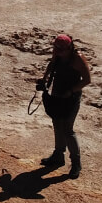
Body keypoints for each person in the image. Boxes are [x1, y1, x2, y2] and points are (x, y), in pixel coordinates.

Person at [38, 33, 91, 179]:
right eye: (57, 49)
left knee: (68, 129)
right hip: (57, 93)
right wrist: (44, 79)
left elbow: (87, 80)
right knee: (57, 123)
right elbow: (52, 63)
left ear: (69, 48)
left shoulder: (78, 58)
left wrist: (71, 91)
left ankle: (76, 163)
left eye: (62, 50)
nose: (59, 52)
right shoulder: (58, 53)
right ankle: (58, 155)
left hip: (70, 97)